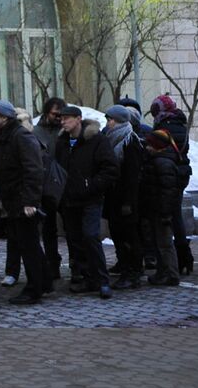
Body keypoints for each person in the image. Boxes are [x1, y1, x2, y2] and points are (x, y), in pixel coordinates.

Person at [0, 100, 49, 305]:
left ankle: (34, 289)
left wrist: (30, 201)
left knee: (28, 245)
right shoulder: (2, 136)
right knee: (26, 242)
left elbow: (34, 170)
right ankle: (44, 282)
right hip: (11, 199)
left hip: (23, 200)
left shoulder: (21, 136)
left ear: (4, 117)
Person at [55, 106, 118, 299]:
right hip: (69, 200)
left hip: (91, 198)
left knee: (91, 236)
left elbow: (110, 169)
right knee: (75, 240)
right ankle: (86, 277)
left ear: (78, 119)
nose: (63, 122)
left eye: (67, 118)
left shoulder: (96, 140)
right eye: (61, 118)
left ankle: (102, 280)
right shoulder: (62, 141)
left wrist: (91, 185)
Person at [149, 94, 194, 276]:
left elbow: (163, 149)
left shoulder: (165, 126)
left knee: (171, 215)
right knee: (176, 214)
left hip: (169, 173)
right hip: (181, 173)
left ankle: (178, 259)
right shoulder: (180, 124)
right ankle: (184, 257)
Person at [103, 105, 146, 290]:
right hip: (114, 196)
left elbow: (132, 175)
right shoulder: (111, 139)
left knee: (129, 236)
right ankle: (124, 266)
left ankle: (133, 272)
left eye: (111, 119)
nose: (108, 123)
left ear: (120, 120)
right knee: (117, 234)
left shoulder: (130, 141)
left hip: (126, 199)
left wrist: (129, 202)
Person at [140, 129, 184, 287]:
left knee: (164, 244)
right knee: (160, 243)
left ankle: (171, 274)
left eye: (150, 144)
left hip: (161, 211)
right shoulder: (158, 159)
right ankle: (163, 272)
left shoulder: (163, 162)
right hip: (156, 209)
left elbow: (168, 191)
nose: (147, 147)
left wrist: (165, 213)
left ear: (157, 146)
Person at [29, 97, 66, 284]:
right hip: (46, 185)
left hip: (65, 184)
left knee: (71, 228)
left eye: (61, 115)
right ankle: (52, 264)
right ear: (46, 113)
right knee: (48, 229)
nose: (59, 118)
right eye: (55, 114)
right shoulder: (36, 132)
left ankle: (77, 265)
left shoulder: (67, 131)